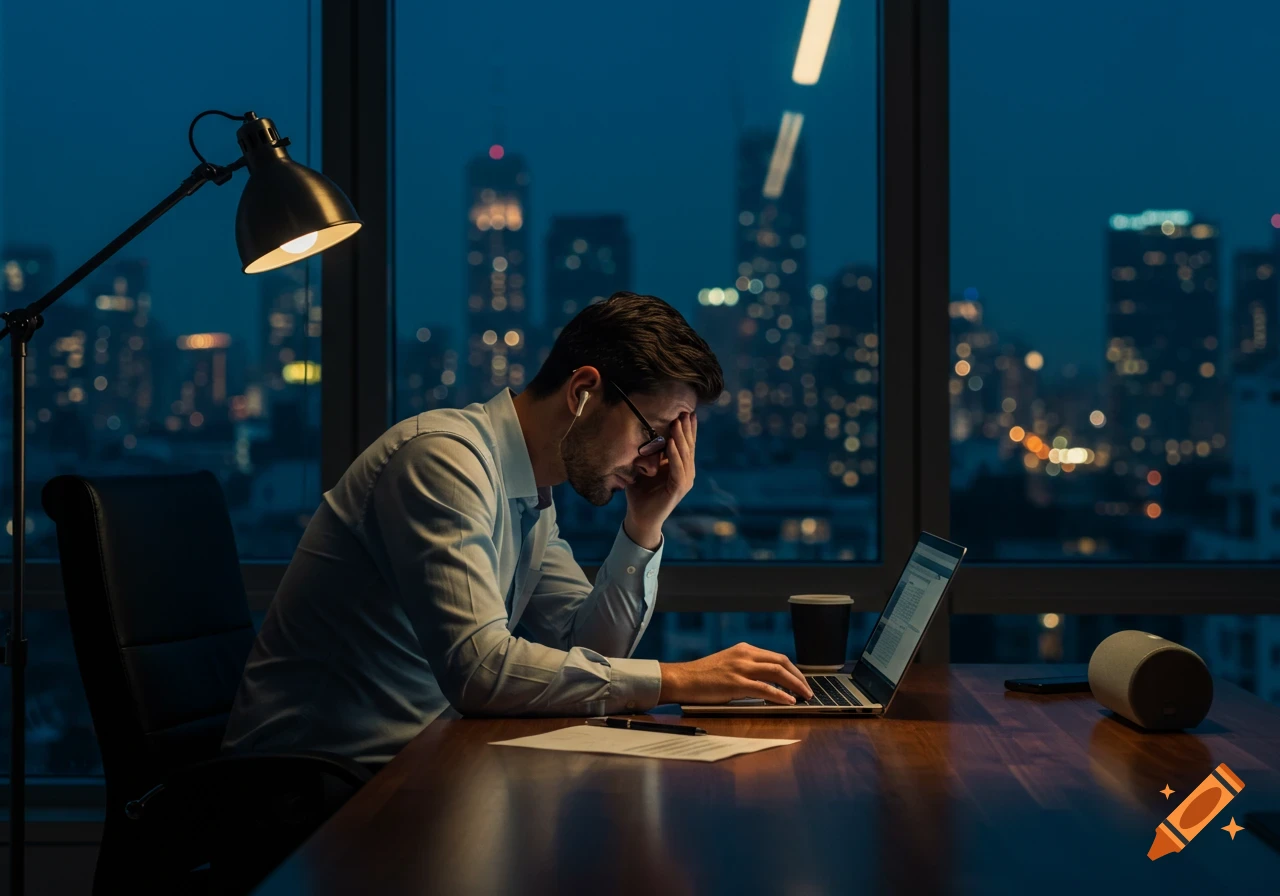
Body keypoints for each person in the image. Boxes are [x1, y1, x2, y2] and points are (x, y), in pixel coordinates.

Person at [223, 292, 812, 766]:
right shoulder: (444, 462)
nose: (659, 462)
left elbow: (592, 654)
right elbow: (481, 671)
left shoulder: (530, 495)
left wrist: (644, 523)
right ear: (584, 392)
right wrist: (679, 678)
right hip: (310, 788)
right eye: (654, 435)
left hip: (414, 767)